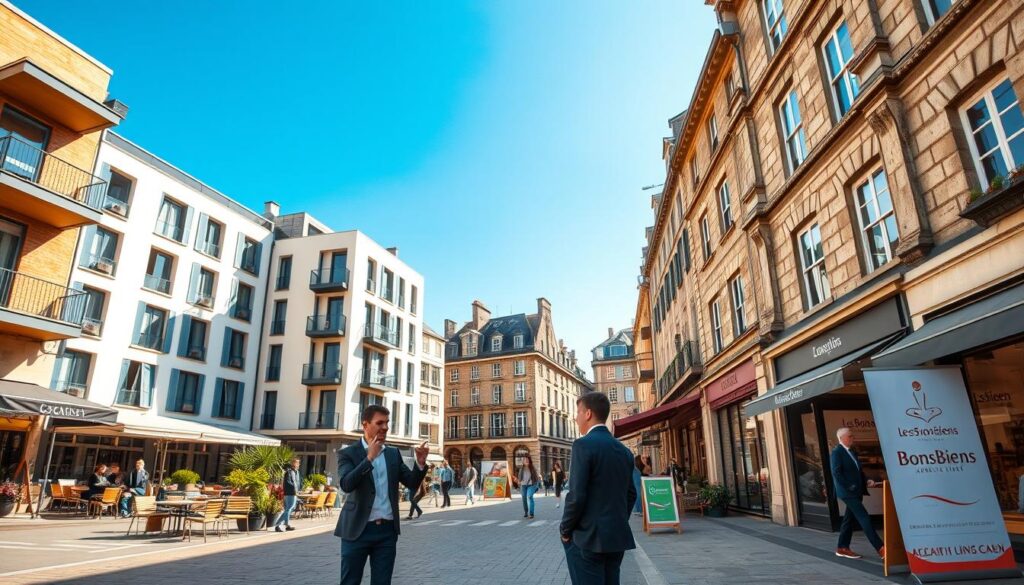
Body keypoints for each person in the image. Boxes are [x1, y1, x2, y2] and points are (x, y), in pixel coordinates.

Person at [335, 405, 428, 585]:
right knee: (350, 581)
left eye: (387, 423)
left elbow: (411, 482)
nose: (385, 427)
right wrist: (368, 458)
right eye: (379, 423)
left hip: (386, 532)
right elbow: (346, 484)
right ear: (365, 424)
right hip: (356, 531)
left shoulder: (393, 453)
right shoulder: (348, 453)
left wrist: (420, 464)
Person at [560, 392, 636, 585]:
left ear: (588, 414)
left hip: (587, 538)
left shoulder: (583, 445)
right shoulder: (624, 451)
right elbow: (631, 494)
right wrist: (617, 520)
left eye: (578, 412)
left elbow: (577, 495)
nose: (575, 417)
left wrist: (565, 530)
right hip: (616, 537)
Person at [831, 427, 884, 560]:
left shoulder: (852, 452)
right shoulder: (837, 452)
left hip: (857, 491)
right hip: (848, 492)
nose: (852, 438)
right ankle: (881, 548)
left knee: (848, 520)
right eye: (850, 436)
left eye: (852, 436)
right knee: (864, 517)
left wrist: (867, 480)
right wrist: (851, 486)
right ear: (842, 438)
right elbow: (837, 473)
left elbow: (858, 471)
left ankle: (842, 547)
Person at [275, 458, 302, 532]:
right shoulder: (289, 472)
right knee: (289, 509)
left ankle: (286, 525)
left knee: (289, 509)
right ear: (294, 464)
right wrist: (295, 490)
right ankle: (278, 524)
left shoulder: (296, 472)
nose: (299, 464)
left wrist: (298, 490)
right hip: (290, 493)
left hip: (294, 493)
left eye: (298, 463)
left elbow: (297, 483)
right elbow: (287, 483)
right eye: (297, 463)